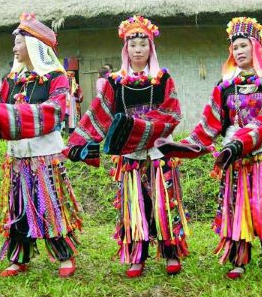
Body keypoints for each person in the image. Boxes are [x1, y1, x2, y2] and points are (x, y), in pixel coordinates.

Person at [0, 13, 83, 278]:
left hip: (45, 156)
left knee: (50, 205)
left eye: (18, 42)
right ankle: (18, 257)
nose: (14, 48)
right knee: (18, 206)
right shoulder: (11, 80)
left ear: (34, 45)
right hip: (17, 156)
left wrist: (11, 117)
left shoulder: (57, 78)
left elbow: (55, 110)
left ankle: (63, 255)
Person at [160, 17, 262, 279]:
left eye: (244, 46)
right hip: (234, 160)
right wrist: (180, 146)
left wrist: (243, 139)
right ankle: (239, 259)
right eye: (235, 48)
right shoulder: (224, 87)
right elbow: (209, 124)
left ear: (256, 49)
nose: (239, 51)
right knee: (237, 208)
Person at [66, 15, 186, 278]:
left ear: (151, 48)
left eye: (143, 45)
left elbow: (173, 114)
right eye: (133, 46)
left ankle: (171, 253)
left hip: (158, 153)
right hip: (130, 156)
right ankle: (137, 256)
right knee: (136, 204)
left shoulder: (164, 79)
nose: (138, 50)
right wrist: (78, 142)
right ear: (126, 50)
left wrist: (140, 126)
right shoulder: (114, 82)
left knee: (164, 203)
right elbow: (99, 114)